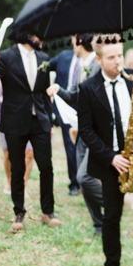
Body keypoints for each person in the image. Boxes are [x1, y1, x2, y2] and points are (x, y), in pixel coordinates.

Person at [77, 37, 133, 266]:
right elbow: (86, 130)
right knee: (112, 215)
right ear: (98, 59)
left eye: (120, 55)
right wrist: (111, 157)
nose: (118, 61)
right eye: (111, 57)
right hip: (113, 161)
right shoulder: (88, 88)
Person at [0, 32, 61, 232]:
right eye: (37, 35)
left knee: (46, 166)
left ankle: (47, 212)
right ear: (26, 35)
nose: (41, 38)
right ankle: (19, 212)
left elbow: (43, 92)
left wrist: (48, 121)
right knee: (18, 168)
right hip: (15, 121)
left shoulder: (44, 58)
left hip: (39, 121)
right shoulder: (6, 57)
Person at [48, 34, 104, 236]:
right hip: (82, 129)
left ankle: (113, 203)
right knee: (82, 179)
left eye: (73, 42)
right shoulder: (81, 68)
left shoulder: (99, 66)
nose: (72, 46)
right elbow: (73, 95)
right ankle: (99, 224)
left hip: (97, 131)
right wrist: (58, 90)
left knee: (85, 176)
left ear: (80, 43)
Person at [0, 78, 34, 195]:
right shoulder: (3, 76)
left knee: (30, 153)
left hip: (29, 118)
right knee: (8, 153)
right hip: (8, 117)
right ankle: (9, 180)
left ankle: (23, 185)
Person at [49, 39, 81, 196]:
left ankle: (88, 180)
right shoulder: (63, 56)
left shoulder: (94, 59)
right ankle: (74, 183)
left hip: (84, 108)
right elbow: (44, 65)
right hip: (65, 108)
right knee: (70, 146)